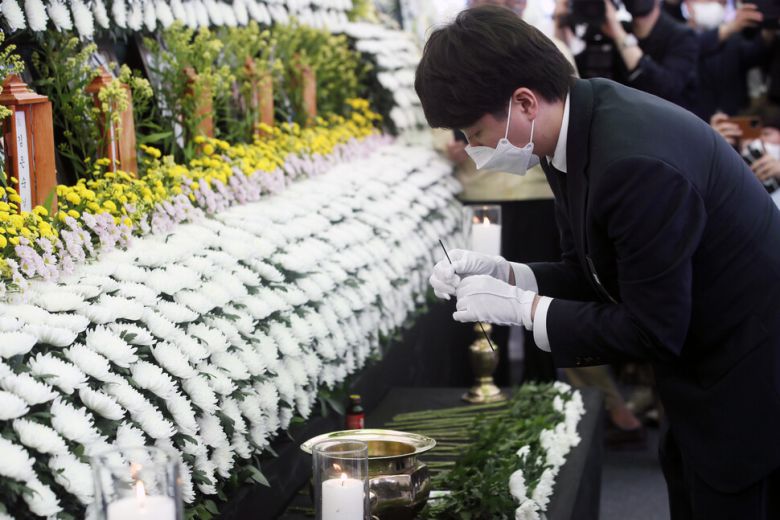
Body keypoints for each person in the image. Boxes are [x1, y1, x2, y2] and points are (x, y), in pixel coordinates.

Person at [418, 6, 780, 518]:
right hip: (698, 371)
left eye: (474, 132)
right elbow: (593, 269)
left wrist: (525, 310)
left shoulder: (632, 161)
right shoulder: (574, 129)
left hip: (746, 380)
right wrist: (510, 274)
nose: (473, 150)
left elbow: (653, 328)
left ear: (523, 102)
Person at [687, 0, 771, 121]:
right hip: (693, 108)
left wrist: (768, 27)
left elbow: (751, 55)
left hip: (733, 108)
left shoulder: (737, 14)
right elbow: (689, 47)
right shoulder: (673, 14)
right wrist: (730, 27)